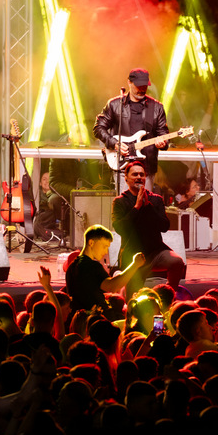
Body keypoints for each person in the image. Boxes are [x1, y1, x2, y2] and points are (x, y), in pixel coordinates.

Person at [111, 161, 186, 298]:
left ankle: (167, 295)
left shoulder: (155, 199)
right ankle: (123, 288)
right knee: (132, 298)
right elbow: (120, 228)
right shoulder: (120, 201)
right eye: (135, 174)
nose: (139, 177)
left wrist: (148, 206)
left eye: (142, 174)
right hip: (133, 255)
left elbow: (164, 226)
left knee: (177, 262)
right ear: (126, 178)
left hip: (156, 252)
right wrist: (136, 208)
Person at [93, 68, 170, 189]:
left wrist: (163, 143)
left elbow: (163, 133)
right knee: (125, 201)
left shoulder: (156, 107)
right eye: (138, 85)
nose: (142, 89)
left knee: (143, 201)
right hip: (123, 167)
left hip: (146, 169)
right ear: (129, 82)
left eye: (145, 86)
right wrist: (115, 144)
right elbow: (98, 128)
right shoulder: (115, 105)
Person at [64, 224, 146, 314]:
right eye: (104, 246)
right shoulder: (91, 266)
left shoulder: (72, 266)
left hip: (78, 318)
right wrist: (135, 265)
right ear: (91, 242)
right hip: (93, 319)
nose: (106, 251)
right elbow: (113, 286)